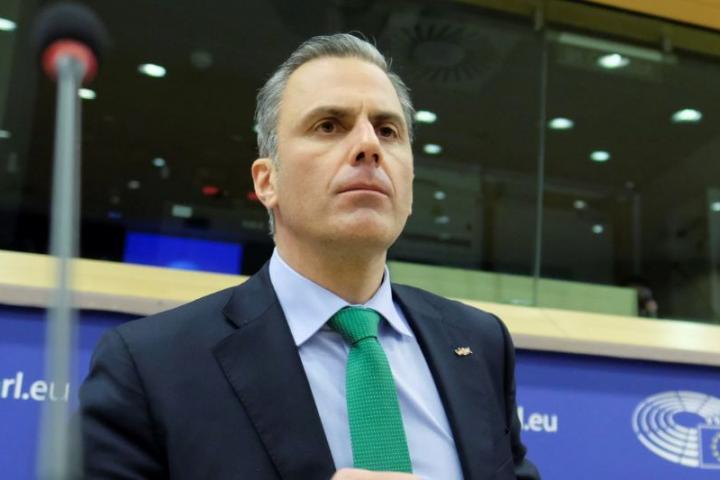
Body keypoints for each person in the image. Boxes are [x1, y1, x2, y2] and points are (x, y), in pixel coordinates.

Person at [79, 33, 540, 480]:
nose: (369, 146)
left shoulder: (480, 344)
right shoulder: (150, 366)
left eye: (388, 130)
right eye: (329, 126)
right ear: (267, 182)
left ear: (411, 182)